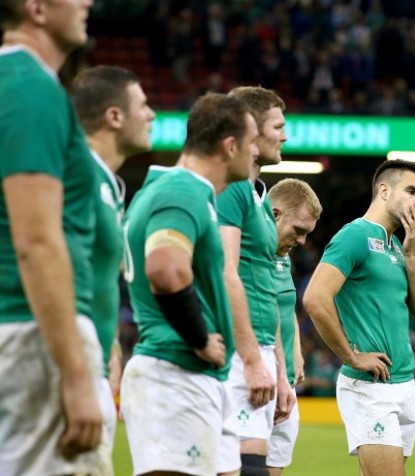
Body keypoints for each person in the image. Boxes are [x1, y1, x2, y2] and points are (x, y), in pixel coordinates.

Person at [119, 92, 259, 476]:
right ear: (230, 147)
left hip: (187, 376)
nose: (255, 157)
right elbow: (165, 269)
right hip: (176, 372)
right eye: (252, 147)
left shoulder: (173, 191)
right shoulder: (182, 192)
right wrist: (199, 337)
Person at [0, 1, 104, 474]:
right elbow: (36, 240)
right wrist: (77, 375)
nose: (87, 2)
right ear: (35, 8)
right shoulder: (32, 89)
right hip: (33, 331)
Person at [303, 159, 415, 476]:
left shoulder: (395, 245)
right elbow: (315, 297)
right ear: (384, 190)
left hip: (404, 382)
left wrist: (412, 254)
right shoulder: (355, 235)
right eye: (412, 191)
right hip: (370, 387)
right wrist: (351, 355)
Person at [71, 64, 155, 474]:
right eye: (143, 105)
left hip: (92, 365)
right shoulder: (78, 174)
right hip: (67, 372)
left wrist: (111, 350)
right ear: (114, 116)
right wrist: (75, 377)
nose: (152, 114)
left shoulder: (108, 183)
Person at [217, 86, 294, 476]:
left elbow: (268, 288)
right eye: (278, 126)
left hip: (260, 349)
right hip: (238, 352)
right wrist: (250, 359)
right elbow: (225, 271)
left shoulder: (257, 195)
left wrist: (280, 370)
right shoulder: (232, 191)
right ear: (250, 128)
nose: (285, 136)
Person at [266, 178, 322, 475]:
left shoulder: (282, 257)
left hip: (284, 380)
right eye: (298, 230)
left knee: (275, 466)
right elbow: (265, 312)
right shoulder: (249, 252)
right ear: (275, 214)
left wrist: (296, 352)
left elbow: (285, 308)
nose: (302, 241)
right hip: (262, 380)